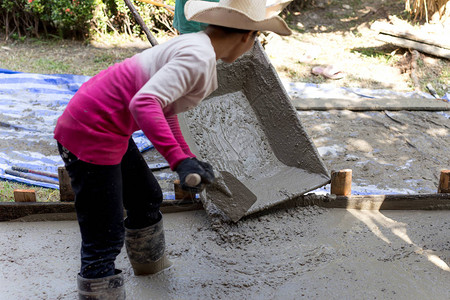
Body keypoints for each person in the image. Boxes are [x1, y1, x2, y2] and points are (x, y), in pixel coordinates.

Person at [54, 0, 292, 298]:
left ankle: (150, 265)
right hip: (89, 131)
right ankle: (99, 291)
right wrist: (178, 161)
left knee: (145, 196)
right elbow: (144, 103)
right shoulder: (197, 58)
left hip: (106, 123)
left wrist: (186, 156)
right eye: (258, 38)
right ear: (248, 36)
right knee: (104, 235)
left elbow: (166, 108)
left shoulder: (197, 46)